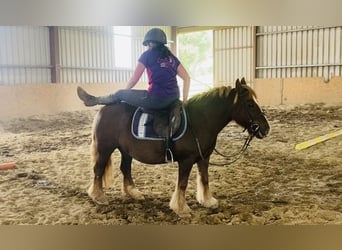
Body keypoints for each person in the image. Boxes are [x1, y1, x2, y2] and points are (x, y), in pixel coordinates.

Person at [77, 28, 190, 110]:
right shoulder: (172, 58)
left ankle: (93, 100)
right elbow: (187, 78)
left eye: (147, 44)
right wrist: (184, 101)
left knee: (120, 93)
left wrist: (125, 92)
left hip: (156, 99)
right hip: (174, 98)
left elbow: (134, 79)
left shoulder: (147, 55)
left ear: (150, 43)